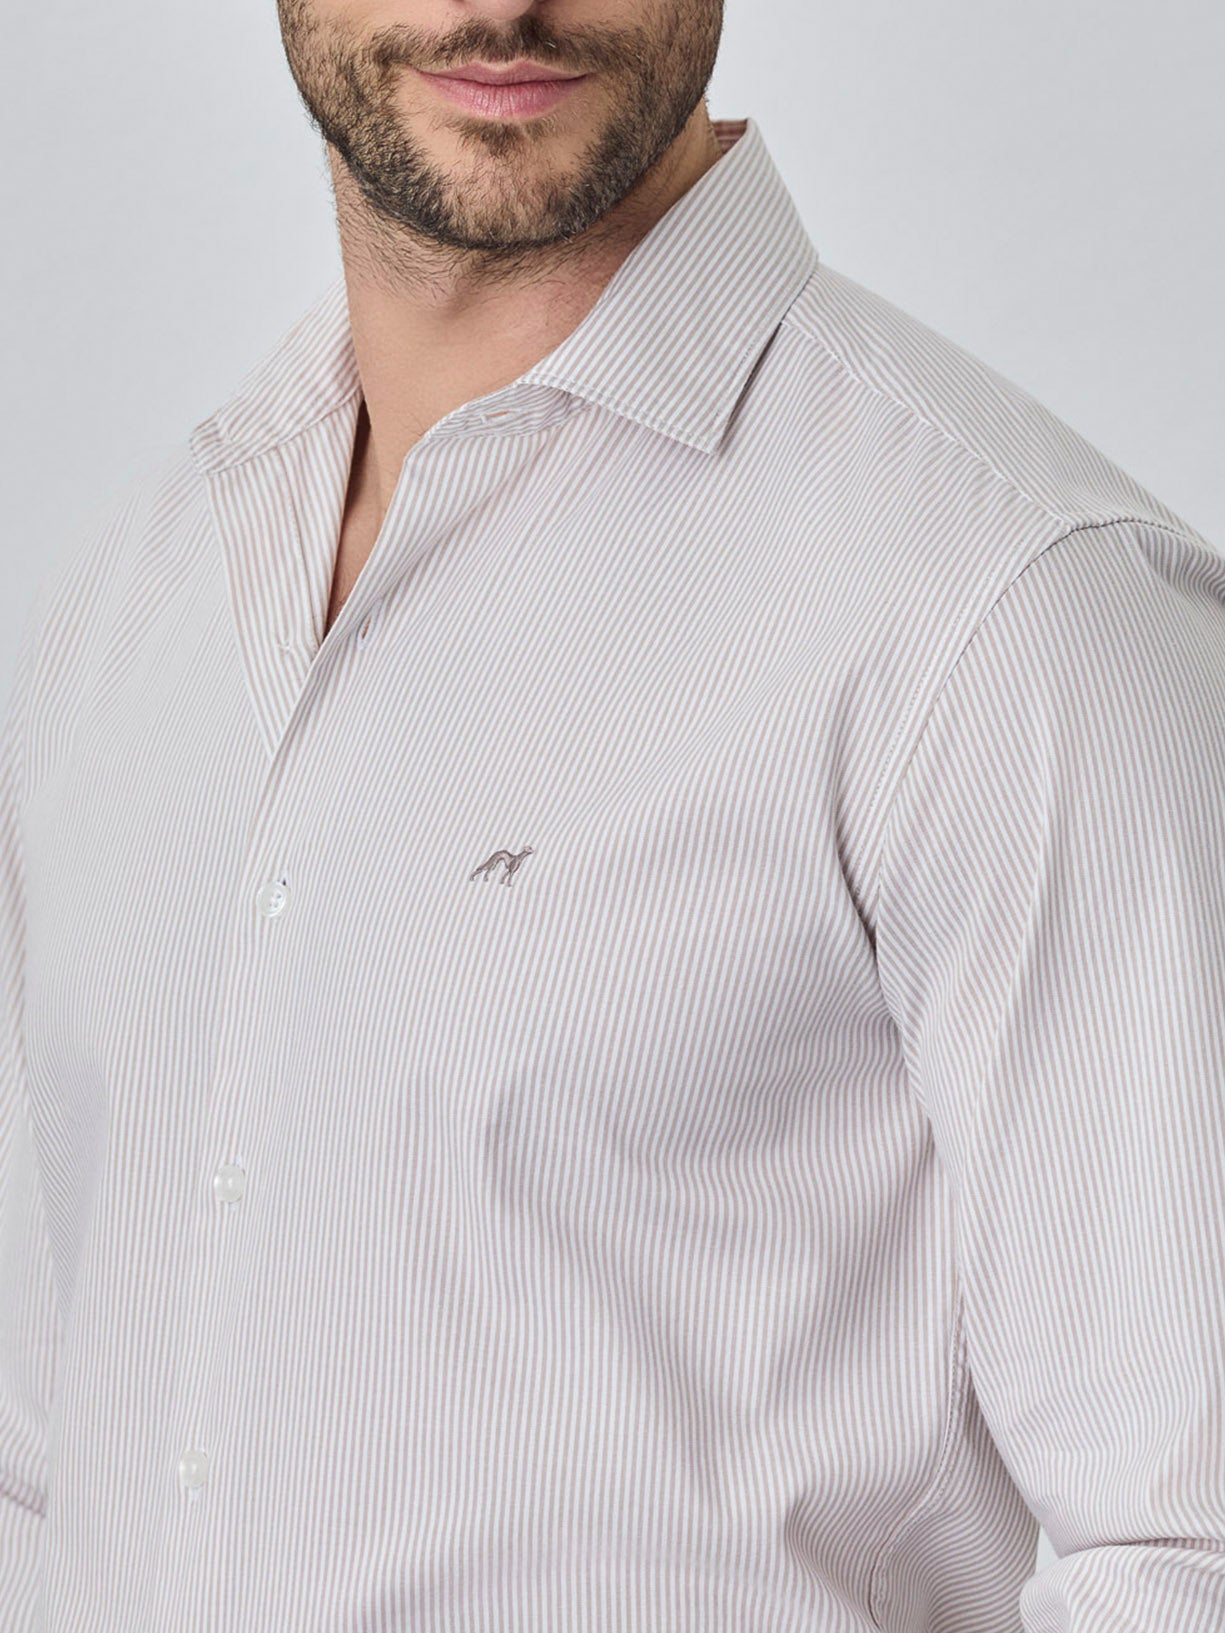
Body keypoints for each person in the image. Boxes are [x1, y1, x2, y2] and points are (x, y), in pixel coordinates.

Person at [2, 1, 1222, 1629]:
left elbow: (1187, 1542)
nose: (502, 1)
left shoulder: (1010, 608)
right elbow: (45, 1470)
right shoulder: (123, 613)